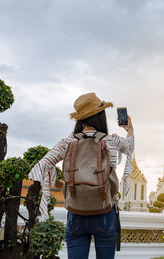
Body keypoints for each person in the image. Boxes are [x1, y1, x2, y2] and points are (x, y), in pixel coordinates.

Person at [28, 92, 134, 259]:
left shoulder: (68, 143)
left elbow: (41, 166)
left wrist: (57, 184)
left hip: (76, 213)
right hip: (105, 212)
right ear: (101, 116)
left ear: (79, 119)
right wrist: (130, 129)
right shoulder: (111, 140)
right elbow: (130, 146)